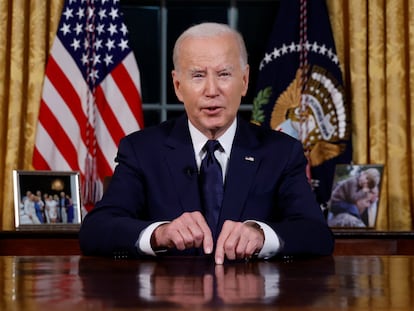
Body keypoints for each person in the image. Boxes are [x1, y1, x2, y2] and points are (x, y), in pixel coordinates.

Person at [79, 22, 334, 264]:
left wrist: (261, 235)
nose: (212, 90)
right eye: (198, 76)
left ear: (244, 81)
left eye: (224, 74)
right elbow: (96, 229)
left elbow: (316, 233)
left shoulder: (280, 152)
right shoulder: (142, 150)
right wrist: (160, 233)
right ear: (178, 85)